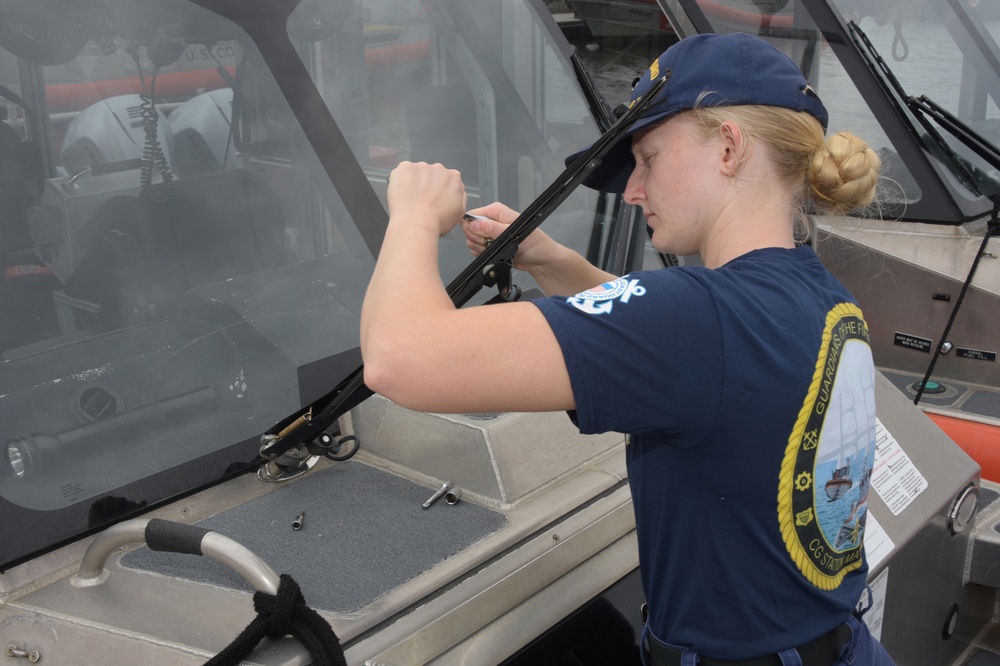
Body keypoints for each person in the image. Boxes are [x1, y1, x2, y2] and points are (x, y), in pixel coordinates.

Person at [361, 32, 892, 666]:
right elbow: (697, 349)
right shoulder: (820, 296)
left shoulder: (697, 319)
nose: (633, 190)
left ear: (728, 146)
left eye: (649, 158)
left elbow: (398, 357)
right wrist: (553, 261)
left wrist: (412, 217)